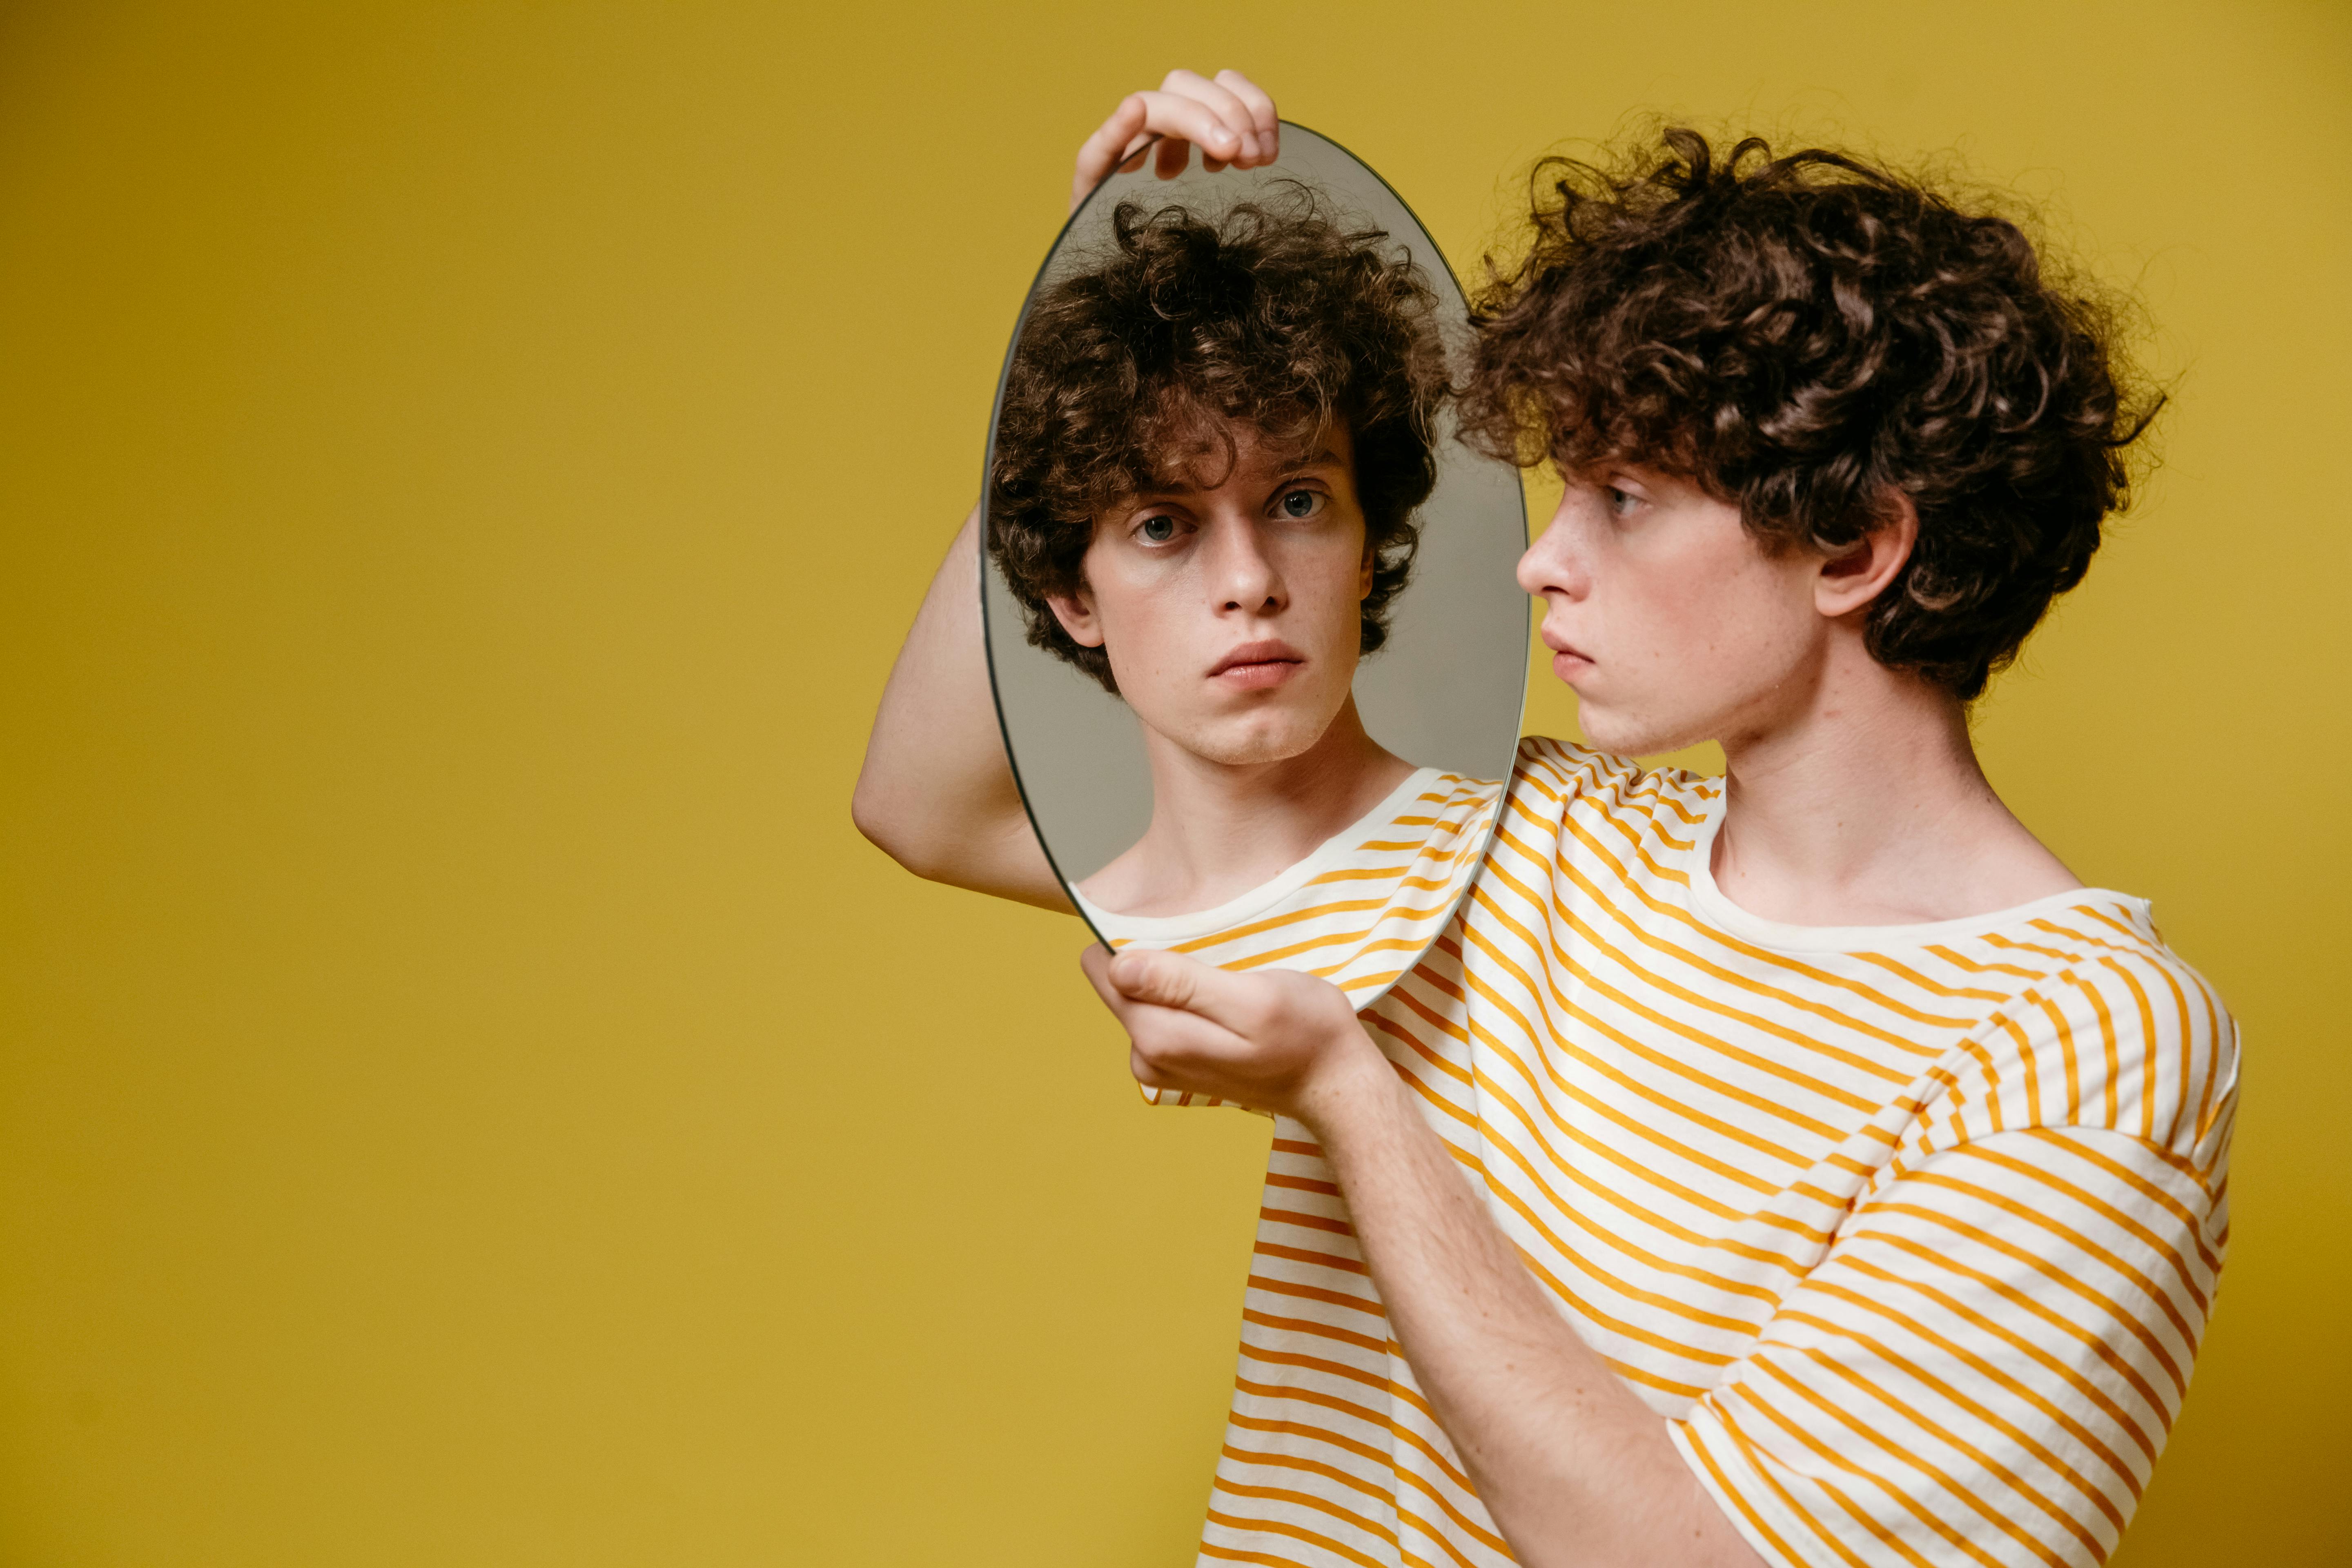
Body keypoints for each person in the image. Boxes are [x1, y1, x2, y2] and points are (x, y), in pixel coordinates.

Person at [862, 70, 2238, 1568]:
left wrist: (1355, 1099)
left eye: (1625, 498)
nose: (1540, 562)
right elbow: (926, 805)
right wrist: (1090, 310)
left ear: (1851, 543)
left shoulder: (2082, 1046)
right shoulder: (1518, 849)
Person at [862, 169, 1505, 1000]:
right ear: (1073, 596)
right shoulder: (1152, 925)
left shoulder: (1546, 836)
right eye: (1162, 525)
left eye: (1297, 502)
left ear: (1365, 551)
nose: (1249, 582)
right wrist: (1069, 337)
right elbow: (912, 811)